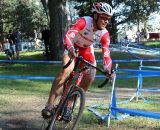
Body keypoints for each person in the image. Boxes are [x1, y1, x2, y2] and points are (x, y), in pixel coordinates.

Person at [42, 2, 115, 121]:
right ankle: (49, 106)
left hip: (86, 50)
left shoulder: (104, 34)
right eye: (103, 17)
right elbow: (68, 36)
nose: (106, 21)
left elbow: (106, 54)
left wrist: (108, 69)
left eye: (108, 19)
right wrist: (70, 48)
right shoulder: (85, 21)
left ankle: (68, 106)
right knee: (67, 71)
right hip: (73, 47)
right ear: (95, 16)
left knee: (91, 75)